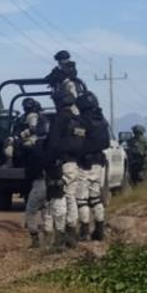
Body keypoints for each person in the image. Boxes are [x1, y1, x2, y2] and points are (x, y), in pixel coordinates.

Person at [44, 90, 86, 248]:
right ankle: (71, 234)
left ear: (59, 102)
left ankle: (60, 238)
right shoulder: (78, 120)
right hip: (74, 164)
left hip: (60, 164)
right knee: (71, 198)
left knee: (58, 198)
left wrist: (47, 161)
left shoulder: (60, 118)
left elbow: (53, 143)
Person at [16, 98, 52, 248]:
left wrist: (19, 140)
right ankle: (49, 241)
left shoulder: (35, 149)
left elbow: (32, 170)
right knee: (47, 211)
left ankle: (36, 241)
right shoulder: (51, 147)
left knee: (31, 212)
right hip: (51, 182)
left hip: (39, 182)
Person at [77, 92, 110, 241]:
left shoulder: (82, 121)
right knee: (96, 198)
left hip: (84, 163)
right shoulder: (102, 120)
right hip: (98, 163)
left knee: (82, 199)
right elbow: (107, 142)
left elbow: (77, 140)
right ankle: (100, 229)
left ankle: (84, 231)